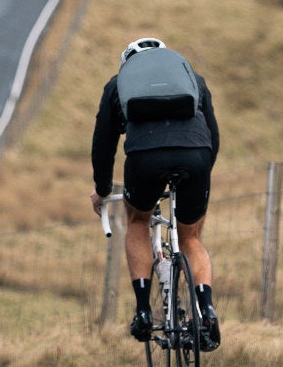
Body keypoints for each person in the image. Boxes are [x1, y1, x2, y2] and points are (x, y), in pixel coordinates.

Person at [89, 37, 221, 349]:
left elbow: (103, 145)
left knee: (137, 222)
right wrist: (201, 172)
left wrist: (102, 190)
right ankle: (208, 311)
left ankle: (144, 312)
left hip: (145, 157)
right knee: (191, 238)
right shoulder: (192, 77)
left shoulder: (118, 84)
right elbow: (213, 135)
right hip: (196, 155)